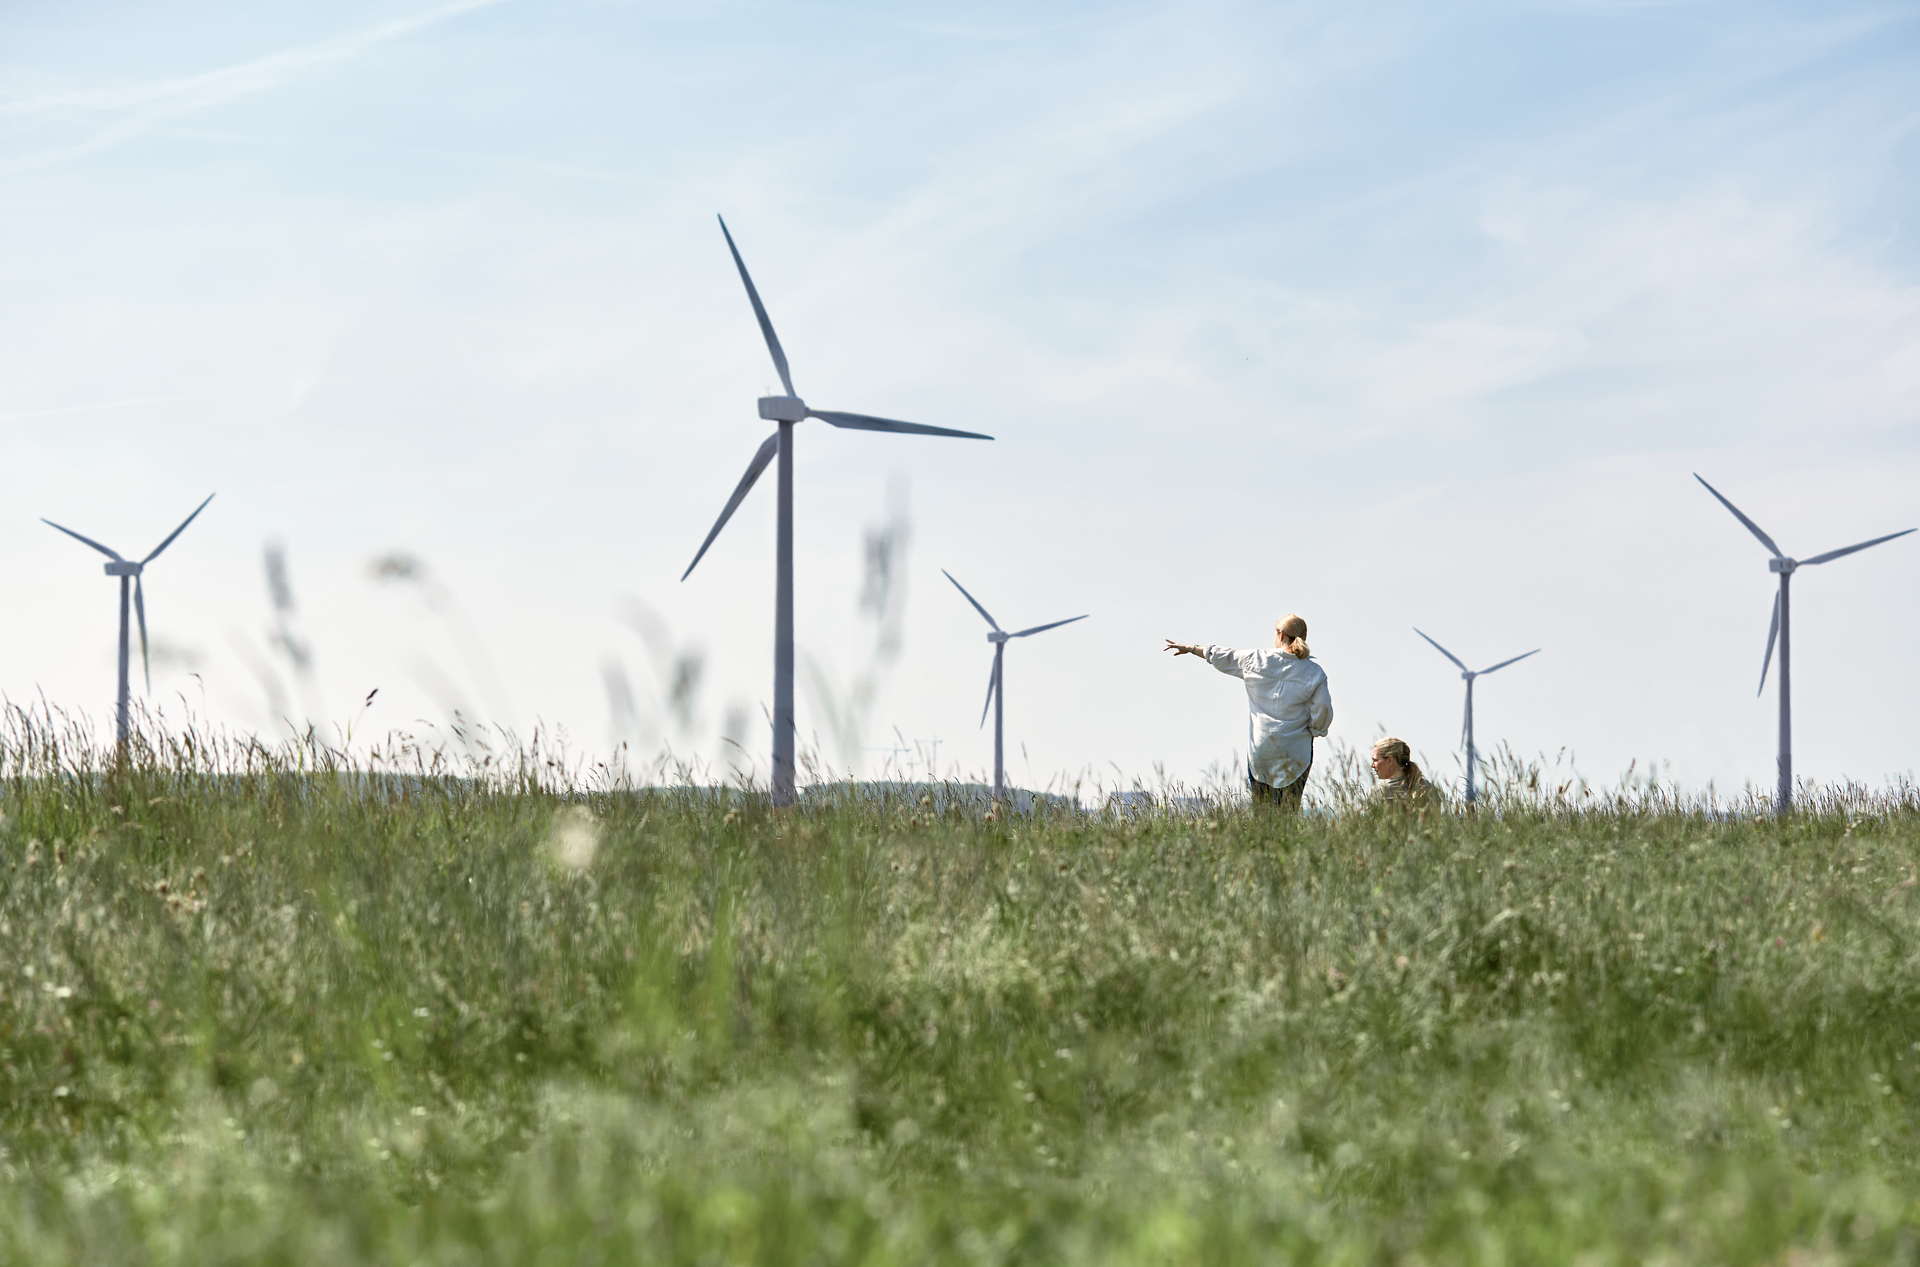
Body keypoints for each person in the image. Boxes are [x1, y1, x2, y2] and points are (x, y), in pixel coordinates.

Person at [1165, 614, 1332, 810]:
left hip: (1262, 750)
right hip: (1295, 750)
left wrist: (1192, 649)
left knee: (1262, 813)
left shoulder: (1256, 659)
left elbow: (1223, 655)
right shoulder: (1314, 672)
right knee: (1287, 812)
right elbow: (1323, 707)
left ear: (1280, 634)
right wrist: (1316, 729)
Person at [1369, 736, 1435, 806]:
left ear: (1390, 760)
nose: (1372, 765)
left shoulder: (1379, 791)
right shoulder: (1428, 788)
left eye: (1375, 760)